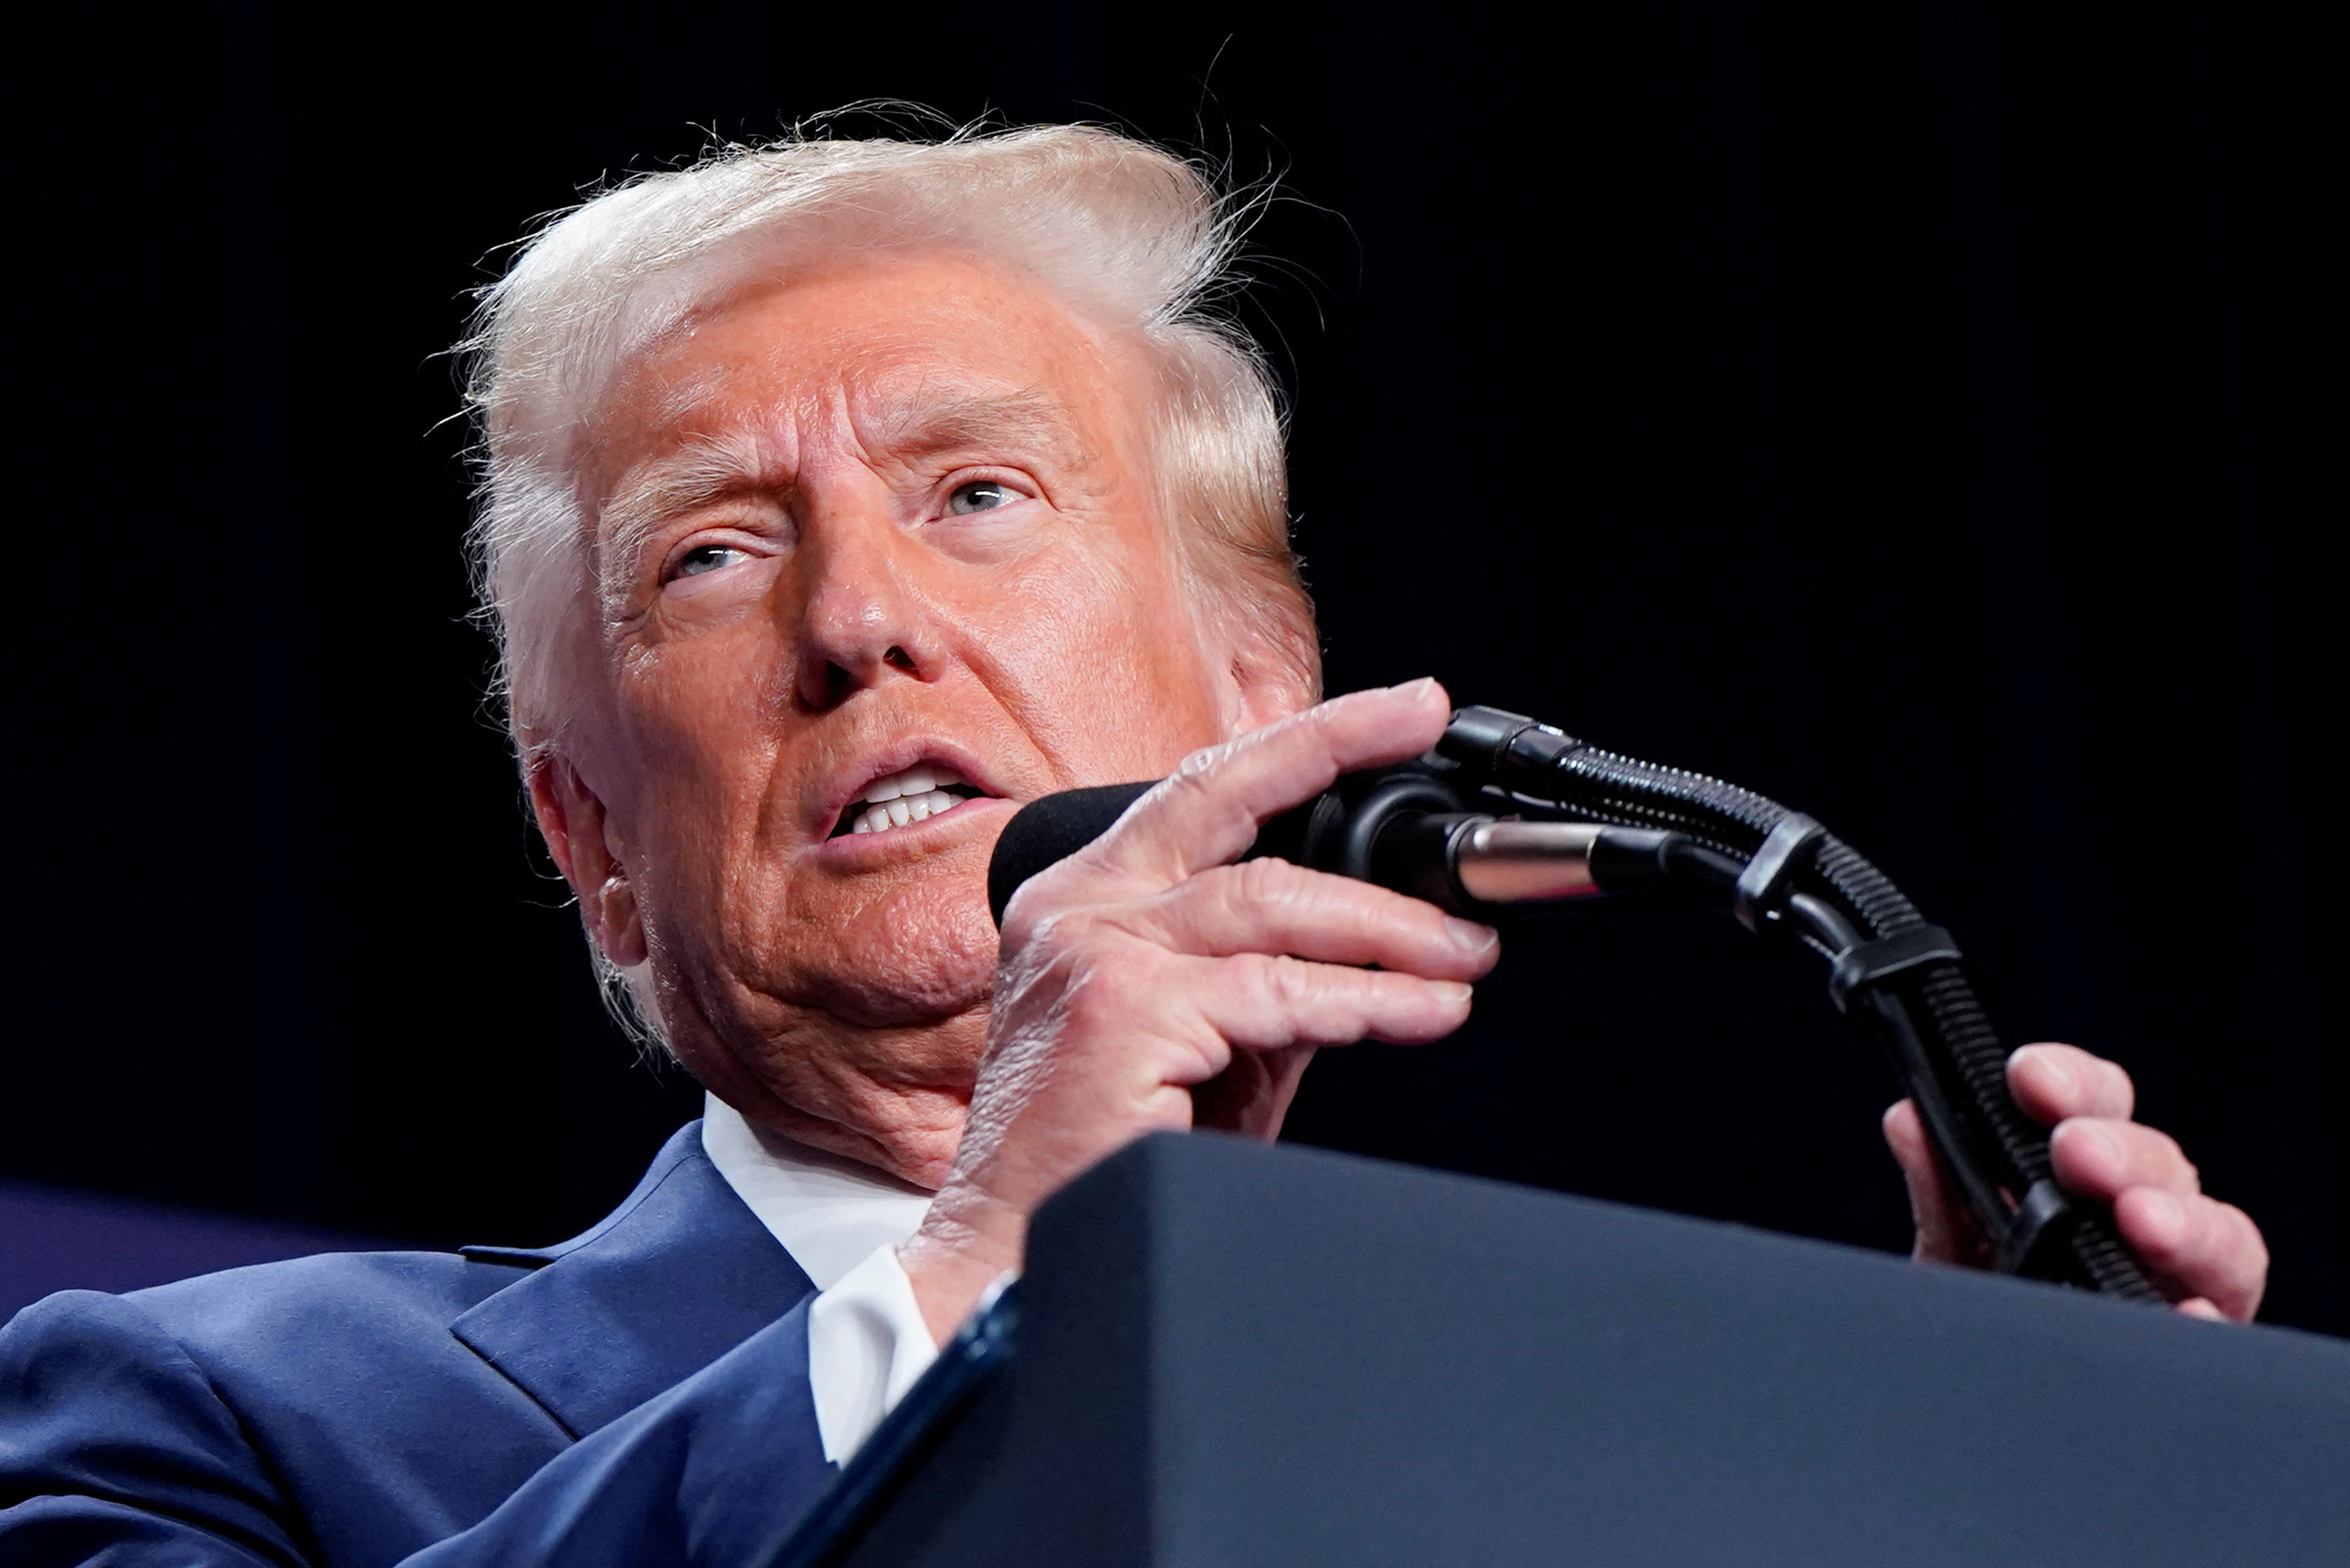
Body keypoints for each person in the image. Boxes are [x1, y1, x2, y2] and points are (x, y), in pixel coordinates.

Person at [0, 124, 2269, 1566]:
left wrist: (1992, 1475)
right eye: (708, 556)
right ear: (590, 841)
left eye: (978, 496)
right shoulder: (218, 1425)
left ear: (1263, 695)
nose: (859, 618)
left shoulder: (1570, 1485)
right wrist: (990, 1259)